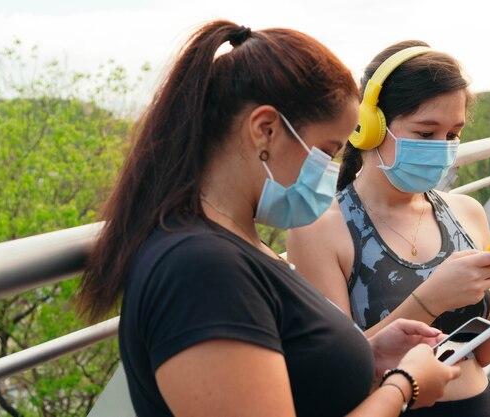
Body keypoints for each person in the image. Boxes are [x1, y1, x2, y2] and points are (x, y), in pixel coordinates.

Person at [76, 23, 462, 417]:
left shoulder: (233, 243)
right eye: (326, 151)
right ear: (265, 131)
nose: (329, 171)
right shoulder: (200, 269)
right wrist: (403, 387)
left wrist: (368, 355)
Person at [287, 40, 490, 416]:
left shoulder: (466, 212)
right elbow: (337, 369)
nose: (442, 147)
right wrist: (431, 299)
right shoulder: (319, 229)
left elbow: (481, 353)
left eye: (453, 134)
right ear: (370, 126)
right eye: (426, 133)